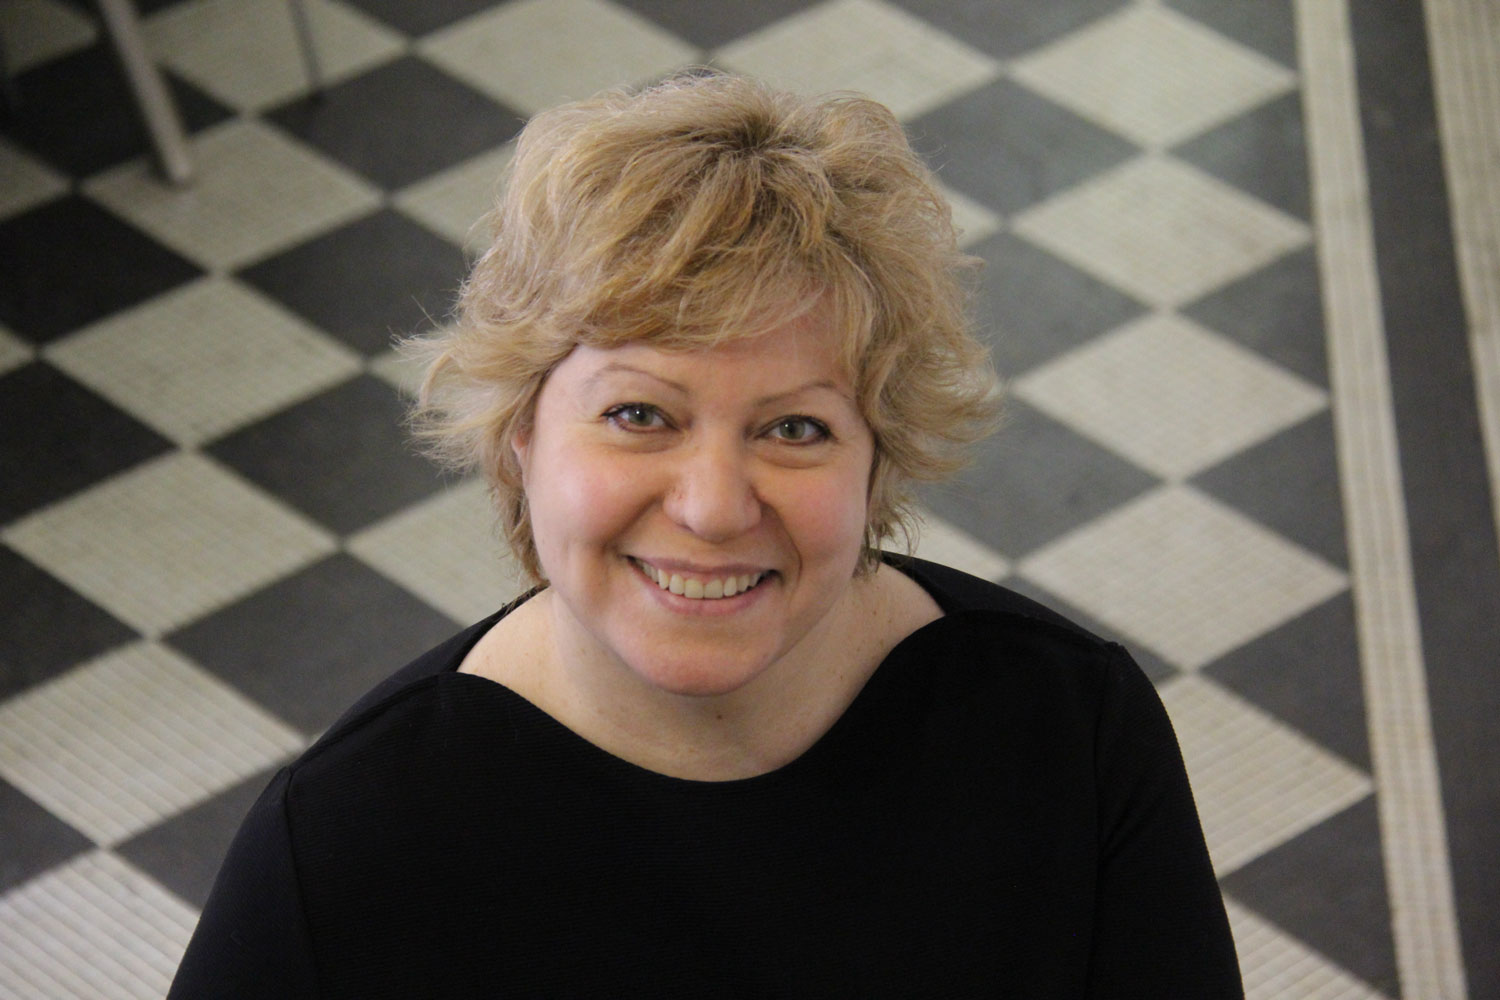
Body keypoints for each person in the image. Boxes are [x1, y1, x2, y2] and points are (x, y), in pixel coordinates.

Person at [169, 71, 1242, 998]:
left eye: (795, 426)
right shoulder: (348, 848)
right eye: (640, 413)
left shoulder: (1066, 731)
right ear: (519, 438)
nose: (715, 505)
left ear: (878, 464)